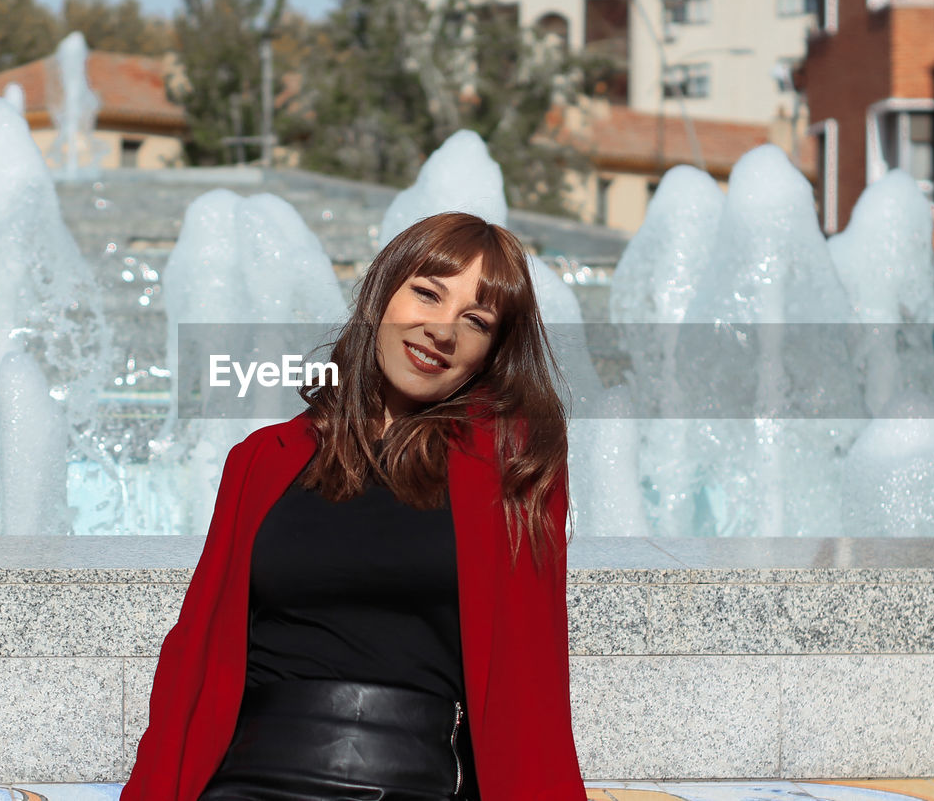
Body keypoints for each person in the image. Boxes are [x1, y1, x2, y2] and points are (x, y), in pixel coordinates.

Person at [122, 212, 588, 801]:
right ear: (381, 292)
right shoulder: (262, 460)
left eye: (475, 321)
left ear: (491, 353)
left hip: (408, 782)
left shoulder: (514, 465)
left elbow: (531, 675)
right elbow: (195, 652)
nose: (441, 330)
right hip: (245, 778)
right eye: (426, 293)